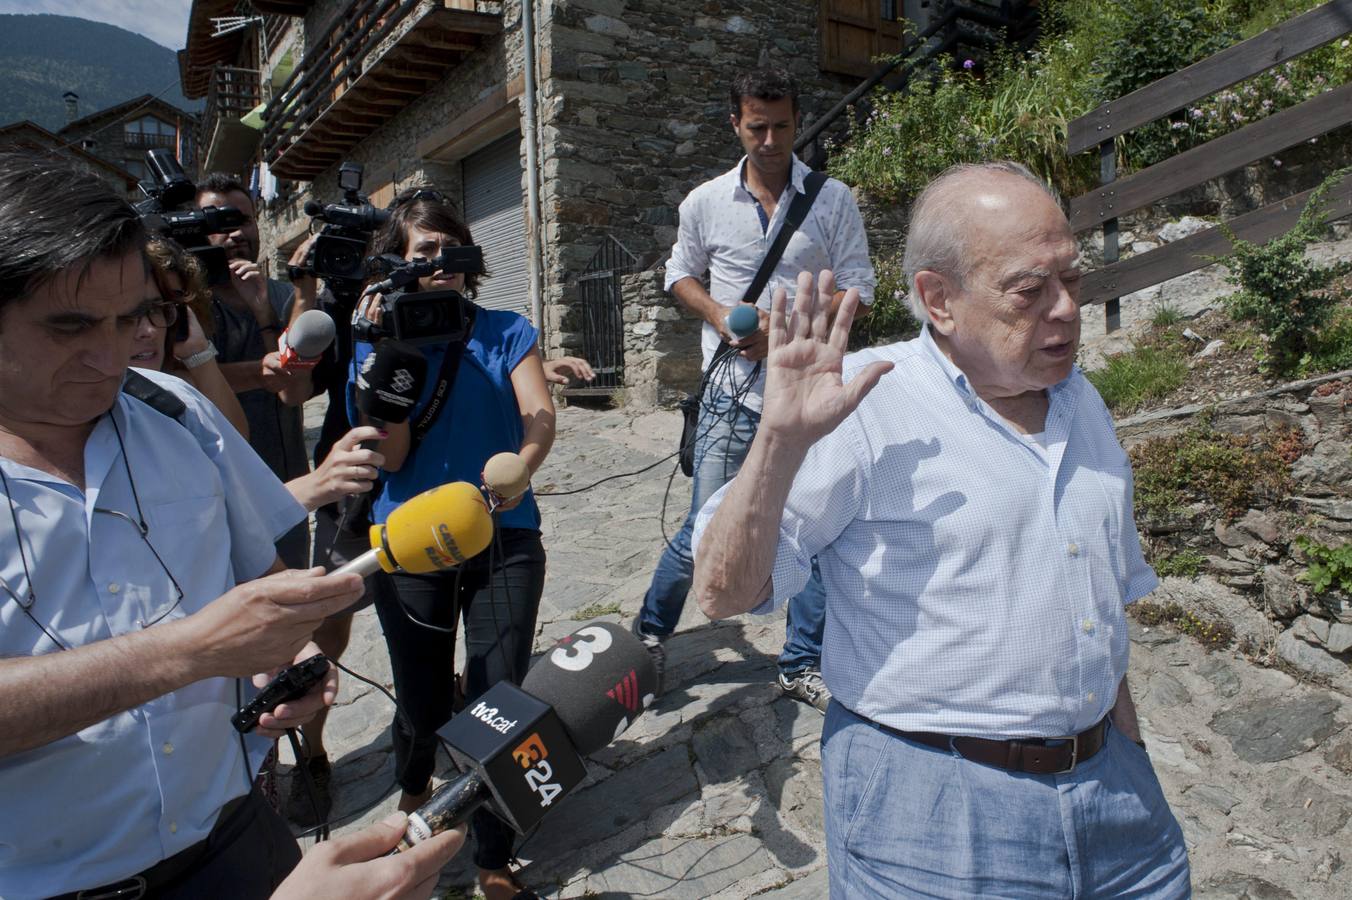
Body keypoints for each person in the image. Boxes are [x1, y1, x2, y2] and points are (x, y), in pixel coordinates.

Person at [691, 162, 1191, 897]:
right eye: (1029, 289)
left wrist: (1126, 745)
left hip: (1115, 798)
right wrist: (778, 442)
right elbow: (721, 593)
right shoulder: (860, 401)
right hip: (933, 815)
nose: (1065, 309)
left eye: (1073, 281)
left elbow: (1096, 600)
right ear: (939, 299)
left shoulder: (1081, 401)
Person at [0, 151, 366, 898]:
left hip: (234, 837)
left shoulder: (179, 412)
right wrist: (190, 652)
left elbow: (262, 584)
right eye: (71, 326)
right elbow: (195, 649)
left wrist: (280, 662)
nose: (114, 354)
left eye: (136, 317)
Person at [633, 66, 875, 711]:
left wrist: (797, 329)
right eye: (757, 127)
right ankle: (650, 636)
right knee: (706, 523)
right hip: (731, 394)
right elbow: (679, 274)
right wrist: (721, 318)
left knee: (821, 524)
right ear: (735, 124)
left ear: (797, 123)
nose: (770, 140)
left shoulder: (833, 199)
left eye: (782, 127)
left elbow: (861, 284)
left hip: (808, 397)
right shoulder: (704, 201)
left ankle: (801, 662)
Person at [349, 188, 554, 900]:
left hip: (506, 537)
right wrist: (392, 355)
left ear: (469, 255)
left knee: (498, 698)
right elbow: (395, 458)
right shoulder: (378, 345)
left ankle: (494, 856)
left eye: (448, 248)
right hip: (412, 543)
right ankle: (414, 785)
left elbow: (539, 415)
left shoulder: (506, 330)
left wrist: (520, 471)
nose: (439, 263)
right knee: (423, 702)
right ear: (397, 265)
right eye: (421, 252)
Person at [197, 173, 315, 569]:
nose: (235, 234)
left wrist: (265, 313)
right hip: (209, 492)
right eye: (220, 223)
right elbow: (176, 378)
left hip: (285, 486)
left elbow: (294, 392)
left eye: (243, 220)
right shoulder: (182, 307)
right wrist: (256, 372)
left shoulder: (286, 298)